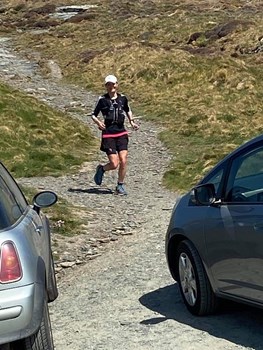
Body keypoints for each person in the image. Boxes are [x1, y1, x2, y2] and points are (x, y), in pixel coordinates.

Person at [91, 74, 139, 195]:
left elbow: (128, 110)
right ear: (106, 86)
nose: (111, 86)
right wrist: (98, 122)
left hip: (121, 132)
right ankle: (101, 169)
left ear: (117, 85)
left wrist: (132, 122)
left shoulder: (123, 98)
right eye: (108, 84)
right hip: (108, 134)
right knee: (114, 163)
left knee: (123, 160)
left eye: (113, 84)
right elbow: (93, 114)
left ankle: (120, 186)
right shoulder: (102, 100)